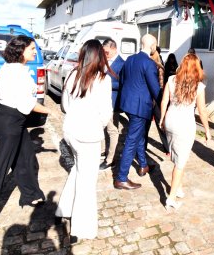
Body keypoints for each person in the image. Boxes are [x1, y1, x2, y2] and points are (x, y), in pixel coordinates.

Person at [0, 36, 52, 233]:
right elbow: (27, 104)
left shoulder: (9, 67)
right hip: (10, 123)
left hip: (8, 120)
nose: (34, 52)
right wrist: (52, 111)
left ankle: (31, 195)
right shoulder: (17, 73)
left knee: (27, 158)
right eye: (31, 49)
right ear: (20, 51)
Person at [55, 40, 113, 241]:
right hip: (89, 135)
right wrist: (97, 124)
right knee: (87, 182)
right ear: (100, 57)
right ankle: (80, 228)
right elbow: (106, 112)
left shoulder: (73, 74)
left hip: (71, 131)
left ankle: (63, 210)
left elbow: (65, 104)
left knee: (78, 170)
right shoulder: (102, 79)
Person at [160, 53, 211, 210]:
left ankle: (178, 187)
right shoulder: (199, 86)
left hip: (170, 120)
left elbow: (164, 101)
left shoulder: (171, 79)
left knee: (176, 155)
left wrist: (162, 119)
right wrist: (207, 131)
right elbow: (202, 111)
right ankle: (171, 197)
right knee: (180, 162)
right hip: (185, 125)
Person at [113, 34, 161, 190]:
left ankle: (143, 165)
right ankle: (121, 178)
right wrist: (164, 104)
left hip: (127, 103)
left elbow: (122, 80)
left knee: (138, 136)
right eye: (155, 45)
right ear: (152, 45)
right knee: (132, 140)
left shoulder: (129, 59)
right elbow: (155, 89)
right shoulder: (149, 63)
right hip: (140, 107)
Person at [99, 38, 125, 171]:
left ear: (114, 48)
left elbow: (122, 84)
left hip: (113, 102)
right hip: (101, 100)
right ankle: (102, 151)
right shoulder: (103, 61)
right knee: (101, 127)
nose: (105, 54)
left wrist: (105, 82)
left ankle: (110, 159)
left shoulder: (122, 64)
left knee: (112, 130)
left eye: (106, 51)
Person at [146, 50, 170, 154]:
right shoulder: (149, 65)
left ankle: (167, 147)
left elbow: (160, 86)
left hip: (155, 99)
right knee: (146, 126)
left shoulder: (159, 67)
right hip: (150, 99)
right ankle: (143, 147)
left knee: (160, 125)